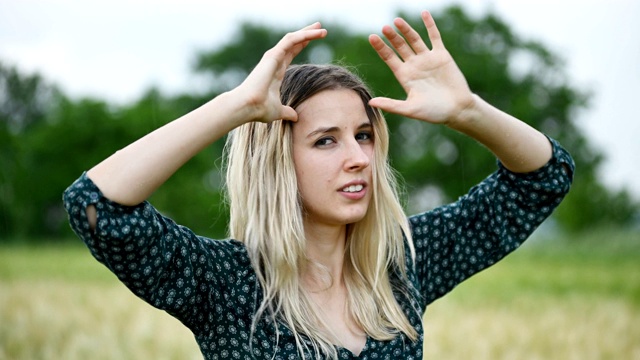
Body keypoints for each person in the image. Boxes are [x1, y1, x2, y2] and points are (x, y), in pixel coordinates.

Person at [63, 10, 574, 359]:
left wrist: (469, 113)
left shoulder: (401, 265)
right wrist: (236, 107)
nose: (358, 159)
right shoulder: (225, 285)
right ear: (277, 161)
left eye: (364, 136)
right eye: (326, 141)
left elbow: (545, 178)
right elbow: (95, 206)